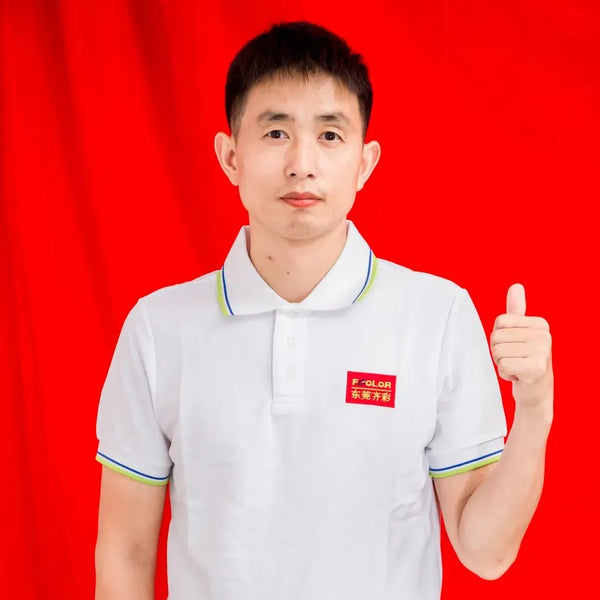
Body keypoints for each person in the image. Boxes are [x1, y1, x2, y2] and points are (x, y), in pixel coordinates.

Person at [94, 21, 553, 600]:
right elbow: (126, 550)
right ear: (230, 156)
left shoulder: (437, 317)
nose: (302, 164)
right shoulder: (159, 330)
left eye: (330, 135)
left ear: (364, 163)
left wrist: (535, 410)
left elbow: (485, 553)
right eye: (276, 132)